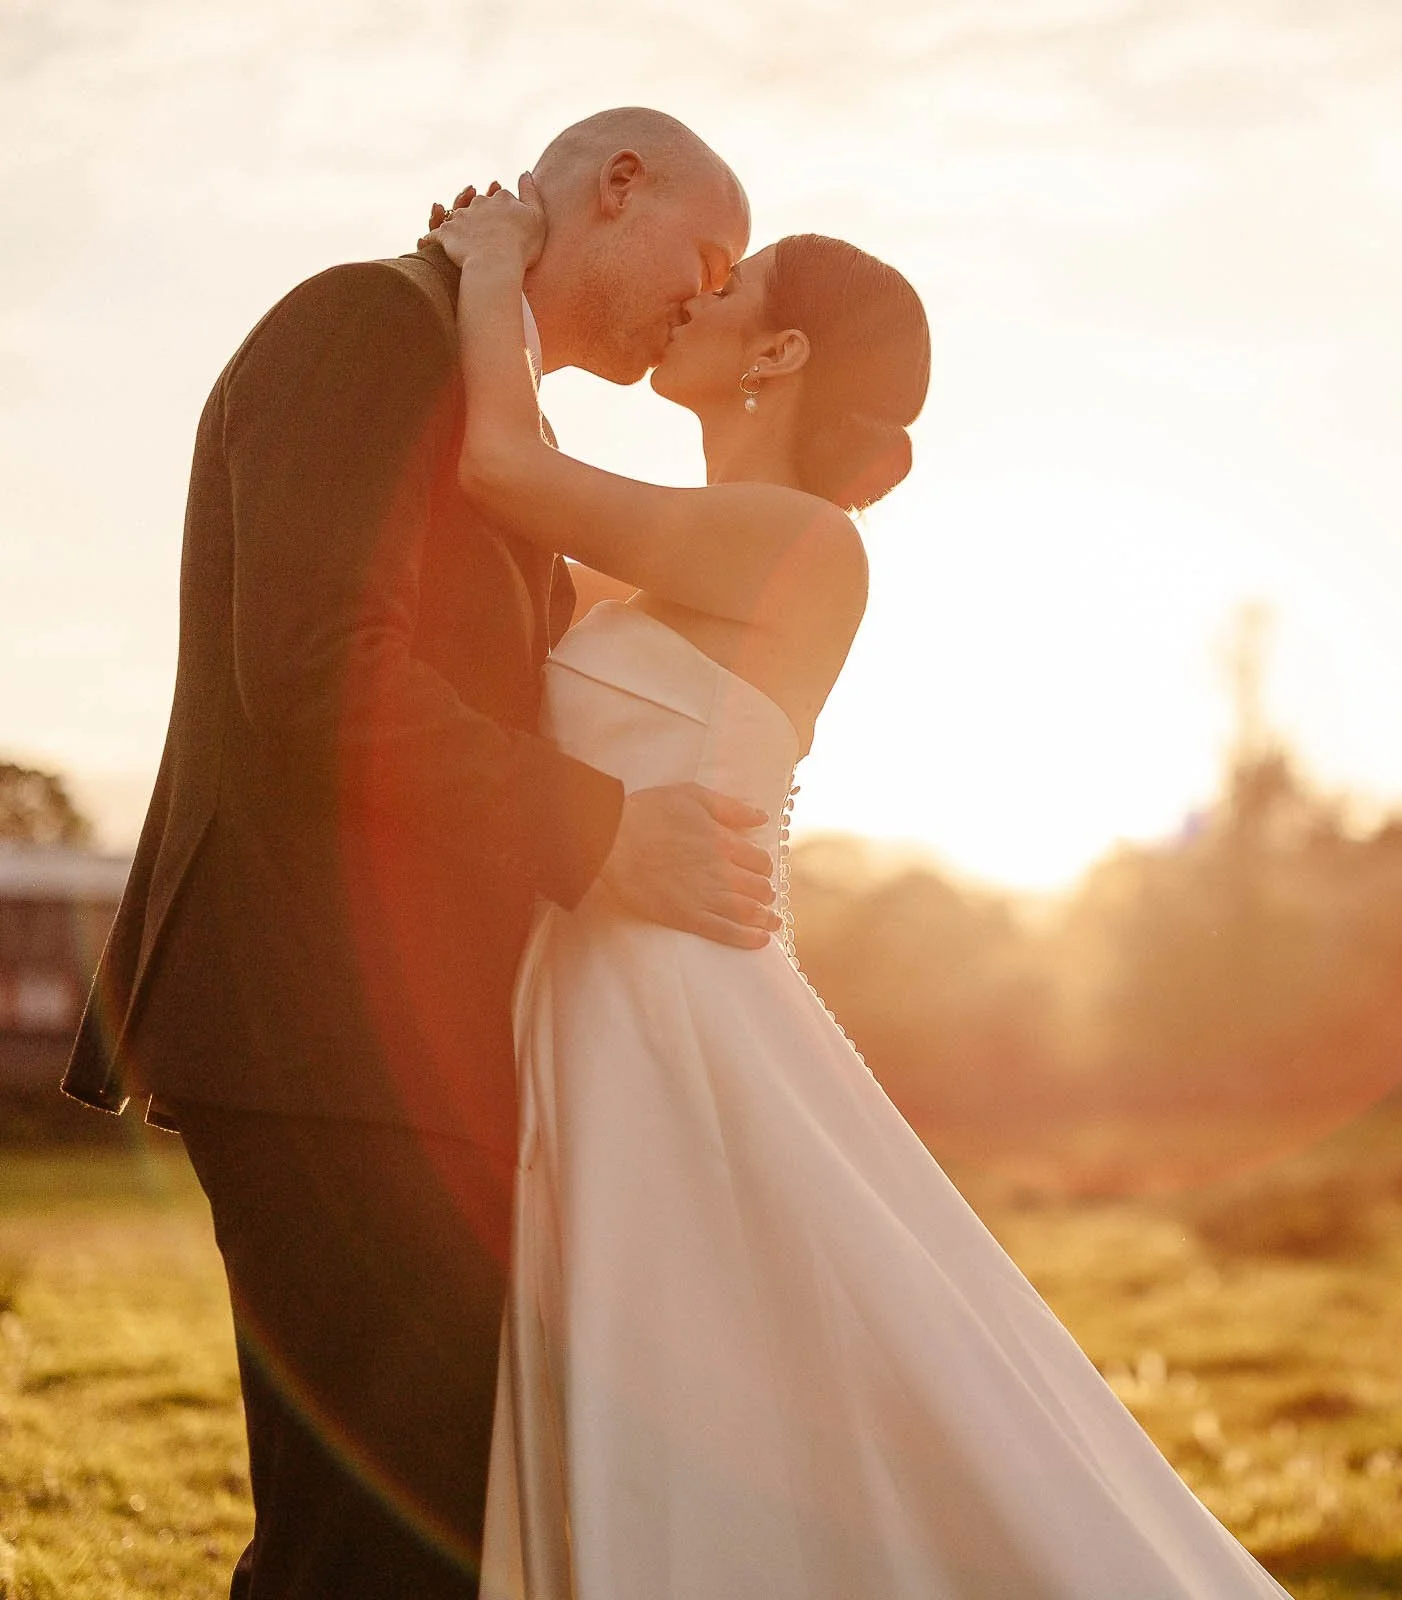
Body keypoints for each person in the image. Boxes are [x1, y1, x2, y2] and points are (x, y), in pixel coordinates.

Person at [427, 184, 1292, 1597]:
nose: (696, 298)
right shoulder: (665, 560)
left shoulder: (802, 544)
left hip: (680, 1022)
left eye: (732, 284)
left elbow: (504, 476)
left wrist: (488, 270)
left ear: (779, 357)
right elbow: (515, 545)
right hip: (596, 1010)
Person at [62, 109, 779, 1599]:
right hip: (323, 1030)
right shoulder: (363, 329)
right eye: (705, 259)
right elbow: (321, 669)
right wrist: (600, 836)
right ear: (616, 186)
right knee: (372, 1547)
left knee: (413, 1528)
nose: (707, 299)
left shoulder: (467, 383)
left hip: (390, 1046)